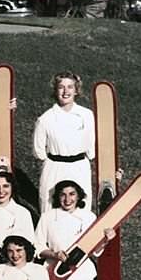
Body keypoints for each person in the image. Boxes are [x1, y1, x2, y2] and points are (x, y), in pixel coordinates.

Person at [35, 180, 113, 280]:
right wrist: (54, 254)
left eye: (72, 194)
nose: (67, 199)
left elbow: (96, 251)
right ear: (57, 197)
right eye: (63, 195)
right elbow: (38, 246)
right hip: (55, 270)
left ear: (78, 197)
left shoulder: (89, 217)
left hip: (81, 271)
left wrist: (105, 241)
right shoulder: (48, 217)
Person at [32, 72, 95, 213]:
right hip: (54, 168)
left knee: (81, 209)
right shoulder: (45, 119)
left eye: (70, 87)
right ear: (55, 90)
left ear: (76, 90)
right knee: (50, 209)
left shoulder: (86, 115)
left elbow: (91, 147)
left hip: (79, 168)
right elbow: (39, 151)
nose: (66, 91)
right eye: (61, 87)